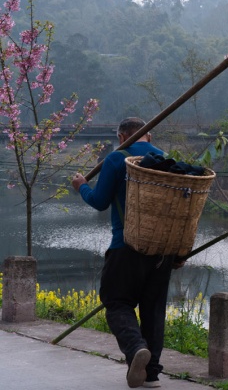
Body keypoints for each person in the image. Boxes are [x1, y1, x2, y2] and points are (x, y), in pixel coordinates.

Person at [72, 117, 175, 389]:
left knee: (116, 301)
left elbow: (99, 201)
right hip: (162, 252)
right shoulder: (168, 160)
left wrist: (81, 185)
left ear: (121, 137)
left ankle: (135, 347)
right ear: (149, 137)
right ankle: (151, 375)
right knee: (153, 310)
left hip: (125, 248)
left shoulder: (117, 159)